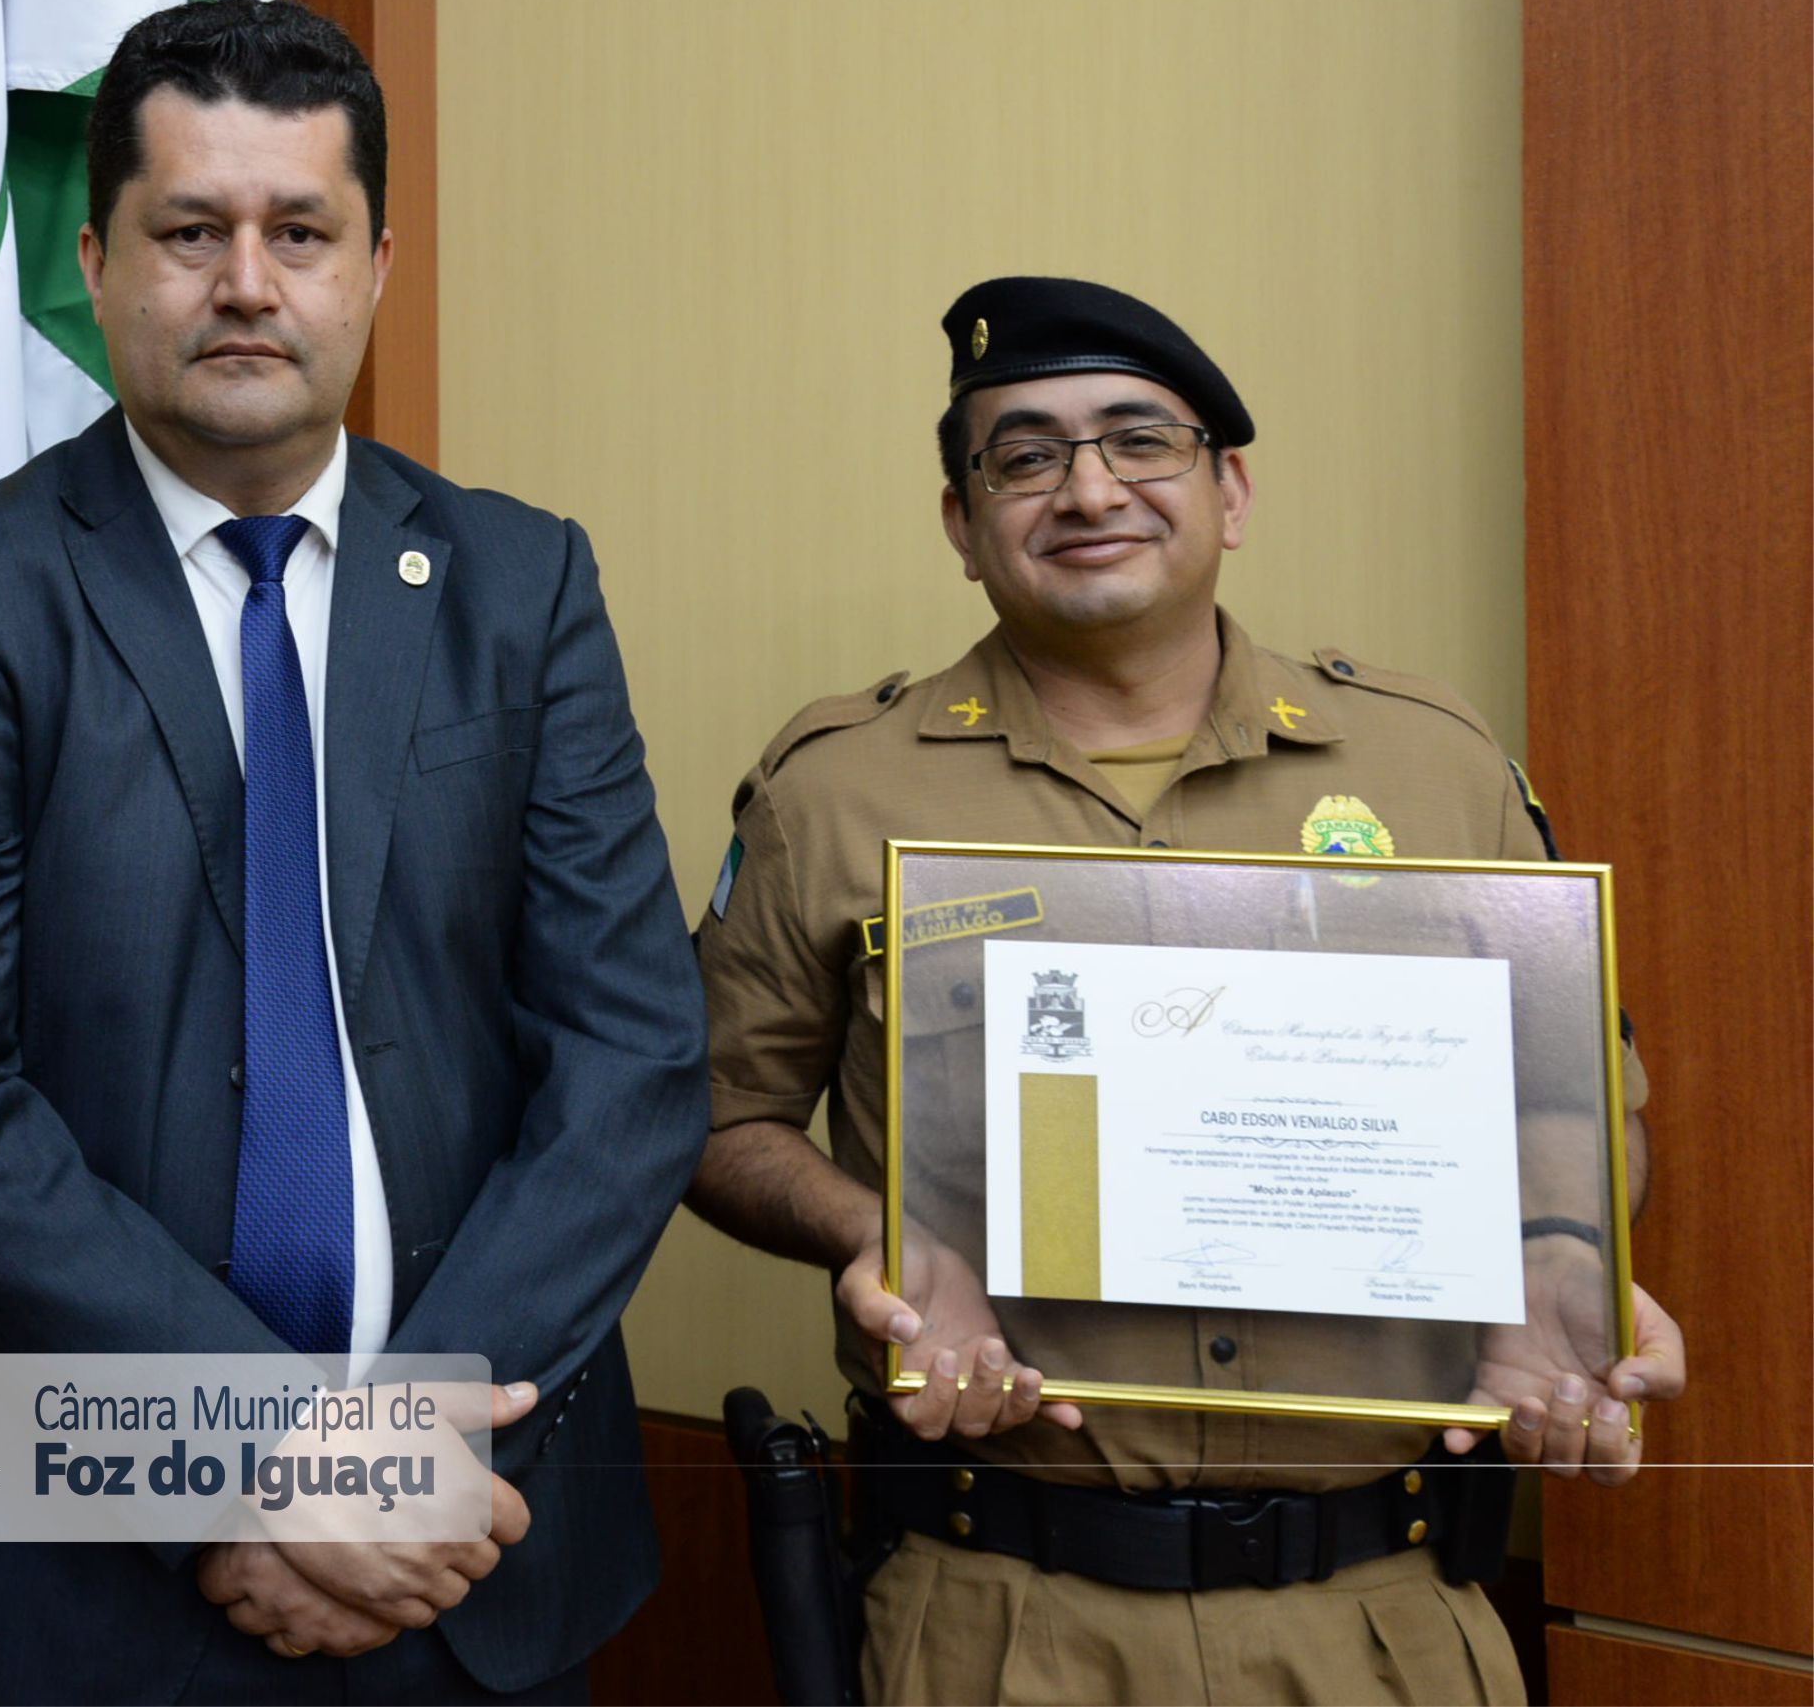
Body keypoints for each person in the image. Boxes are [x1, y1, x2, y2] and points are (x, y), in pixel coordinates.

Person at [0, 0, 710, 1703]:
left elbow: (633, 1058)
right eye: (189, 230)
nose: (246, 282)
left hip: (473, 1539)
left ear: (375, 264)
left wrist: (407, 1452)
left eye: (300, 232)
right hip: (77, 1562)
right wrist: (259, 1451)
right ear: (89, 258)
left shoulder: (523, 588)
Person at [684, 276, 1688, 1705]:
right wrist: (878, 1234)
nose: (1086, 488)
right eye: (1021, 456)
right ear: (962, 526)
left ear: (1229, 491)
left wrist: (1558, 1256)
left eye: (1137, 441)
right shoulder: (837, 788)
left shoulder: (1431, 766)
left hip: (1378, 1627)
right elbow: (713, 1118)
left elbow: (1576, 1098)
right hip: (997, 1623)